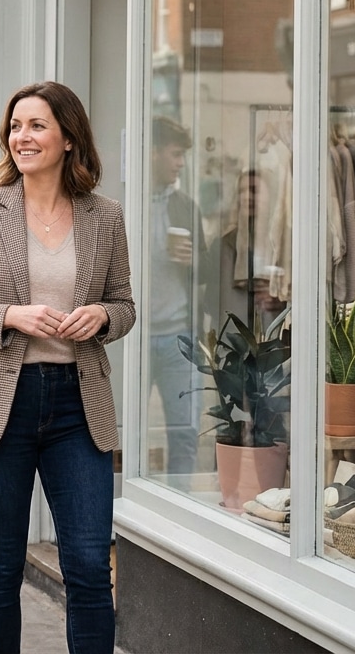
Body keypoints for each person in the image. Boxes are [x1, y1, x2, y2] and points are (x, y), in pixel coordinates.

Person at [0, 81, 134, 654]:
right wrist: (10, 315)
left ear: (69, 138)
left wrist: (100, 316)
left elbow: (125, 306)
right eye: (16, 127)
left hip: (78, 406)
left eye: (38, 125)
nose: (23, 136)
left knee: (92, 567)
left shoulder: (106, 217)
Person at [147, 117, 208, 475]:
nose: (181, 162)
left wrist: (192, 260)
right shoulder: (126, 205)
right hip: (134, 336)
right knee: (122, 429)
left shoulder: (187, 206)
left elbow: (206, 270)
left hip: (179, 339)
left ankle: (179, 500)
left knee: (184, 431)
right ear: (152, 153)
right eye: (175, 154)